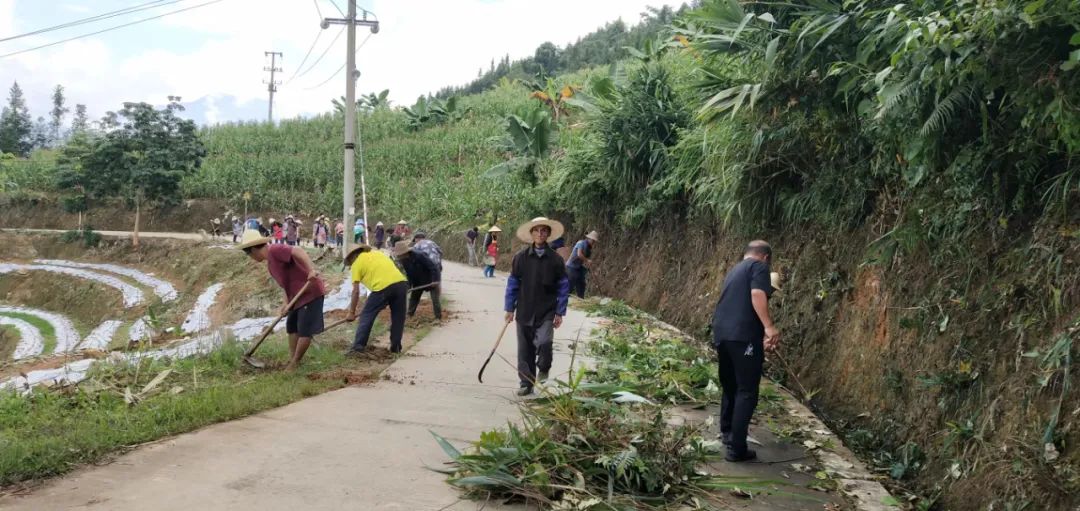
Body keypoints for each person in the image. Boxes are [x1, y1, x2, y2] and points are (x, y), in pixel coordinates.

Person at [710, 240, 781, 463]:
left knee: (730, 385)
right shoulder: (759, 267)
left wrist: (760, 334)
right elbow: (757, 295)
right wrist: (769, 327)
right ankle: (736, 448)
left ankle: (727, 432)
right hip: (742, 337)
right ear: (766, 257)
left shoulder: (734, 271)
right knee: (747, 390)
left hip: (722, 334)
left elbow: (739, 305)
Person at [237, 229, 328, 371]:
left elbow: (298, 251)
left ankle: (294, 364)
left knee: (305, 330)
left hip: (310, 292)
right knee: (292, 327)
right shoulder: (270, 265)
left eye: (248, 253)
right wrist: (285, 304)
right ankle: (293, 359)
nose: (250, 257)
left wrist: (311, 270)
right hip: (296, 297)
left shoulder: (275, 250)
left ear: (254, 249)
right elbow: (284, 285)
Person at [504, 217, 570, 396]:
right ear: (531, 234)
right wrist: (510, 308)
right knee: (525, 348)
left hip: (547, 310)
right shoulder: (521, 258)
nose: (540, 234)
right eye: (536, 231)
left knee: (544, 343)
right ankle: (526, 383)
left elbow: (563, 286)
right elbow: (513, 283)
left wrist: (560, 311)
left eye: (544, 231)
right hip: (525, 309)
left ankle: (544, 368)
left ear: (548, 234)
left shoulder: (556, 260)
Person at [343, 243, 409, 354]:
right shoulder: (378, 254)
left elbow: (355, 291)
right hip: (401, 284)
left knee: (367, 315)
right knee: (398, 317)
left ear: (352, 257)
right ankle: (395, 347)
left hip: (382, 288)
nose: (350, 265)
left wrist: (351, 312)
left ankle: (358, 347)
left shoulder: (356, 264)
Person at [392, 241, 442, 320]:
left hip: (430, 279)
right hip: (417, 281)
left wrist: (435, 280)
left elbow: (433, 267)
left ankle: (438, 318)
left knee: (435, 299)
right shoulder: (404, 260)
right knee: (414, 298)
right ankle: (409, 315)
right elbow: (409, 275)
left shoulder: (419, 255)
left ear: (405, 253)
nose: (399, 257)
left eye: (399, 255)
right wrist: (408, 286)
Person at [565, 231, 599, 299]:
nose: (593, 242)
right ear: (589, 238)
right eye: (592, 240)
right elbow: (579, 254)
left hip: (578, 266)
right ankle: (564, 299)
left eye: (594, 241)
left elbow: (586, 260)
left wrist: (591, 269)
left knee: (581, 283)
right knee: (571, 284)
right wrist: (587, 260)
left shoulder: (589, 248)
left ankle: (581, 298)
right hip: (571, 266)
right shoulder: (581, 243)